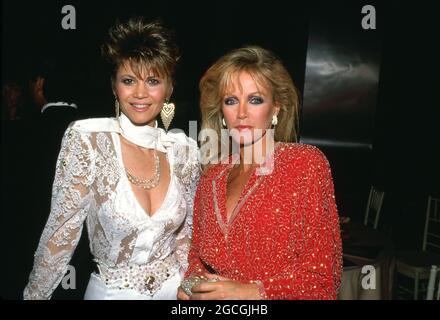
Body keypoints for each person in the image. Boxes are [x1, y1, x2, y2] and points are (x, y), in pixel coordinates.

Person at [23, 17, 200, 300]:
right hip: (111, 292)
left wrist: (189, 289)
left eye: (153, 81)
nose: (140, 93)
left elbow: (185, 239)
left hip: (173, 292)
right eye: (129, 80)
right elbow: (61, 235)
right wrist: (35, 295)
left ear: (169, 89)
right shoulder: (89, 138)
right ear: (114, 86)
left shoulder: (184, 150)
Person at [178, 46, 342, 300]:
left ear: (276, 108)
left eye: (255, 99)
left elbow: (323, 282)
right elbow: (197, 256)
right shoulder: (212, 176)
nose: (242, 112)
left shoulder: (305, 165)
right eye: (231, 100)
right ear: (222, 113)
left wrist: (251, 292)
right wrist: (191, 286)